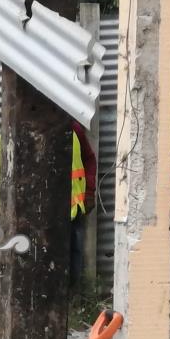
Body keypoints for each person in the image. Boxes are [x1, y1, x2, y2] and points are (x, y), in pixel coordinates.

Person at [70, 121, 97, 295]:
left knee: (74, 258)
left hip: (74, 209)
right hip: (46, 215)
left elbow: (89, 159)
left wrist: (89, 191)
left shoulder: (74, 129)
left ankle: (70, 298)